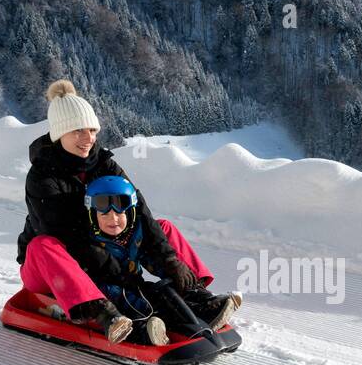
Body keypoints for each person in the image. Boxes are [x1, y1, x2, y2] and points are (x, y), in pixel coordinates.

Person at [17, 79, 239, 343]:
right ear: (59, 133)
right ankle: (102, 312)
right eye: (78, 131)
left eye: (92, 130)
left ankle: (197, 296)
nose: (88, 138)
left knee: (162, 227)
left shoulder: (104, 164)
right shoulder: (42, 176)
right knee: (45, 244)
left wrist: (170, 261)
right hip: (51, 270)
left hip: (104, 250)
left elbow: (139, 211)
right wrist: (123, 274)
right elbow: (69, 238)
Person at [81, 175, 241, 345]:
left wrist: (171, 265)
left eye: (119, 212)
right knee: (131, 299)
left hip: (132, 278)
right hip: (106, 289)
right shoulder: (88, 241)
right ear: (92, 215)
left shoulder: (134, 231)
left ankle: (198, 298)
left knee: (162, 285)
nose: (113, 220)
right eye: (104, 215)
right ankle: (145, 330)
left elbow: (156, 245)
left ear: (131, 212)